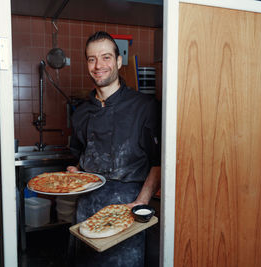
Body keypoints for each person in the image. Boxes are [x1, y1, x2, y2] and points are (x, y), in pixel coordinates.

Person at [67, 31, 161, 267]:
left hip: (126, 206)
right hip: (87, 207)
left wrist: (141, 202)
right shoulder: (81, 113)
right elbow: (81, 157)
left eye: (106, 57)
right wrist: (75, 172)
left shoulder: (145, 107)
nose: (98, 65)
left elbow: (158, 162)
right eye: (91, 59)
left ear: (119, 62)